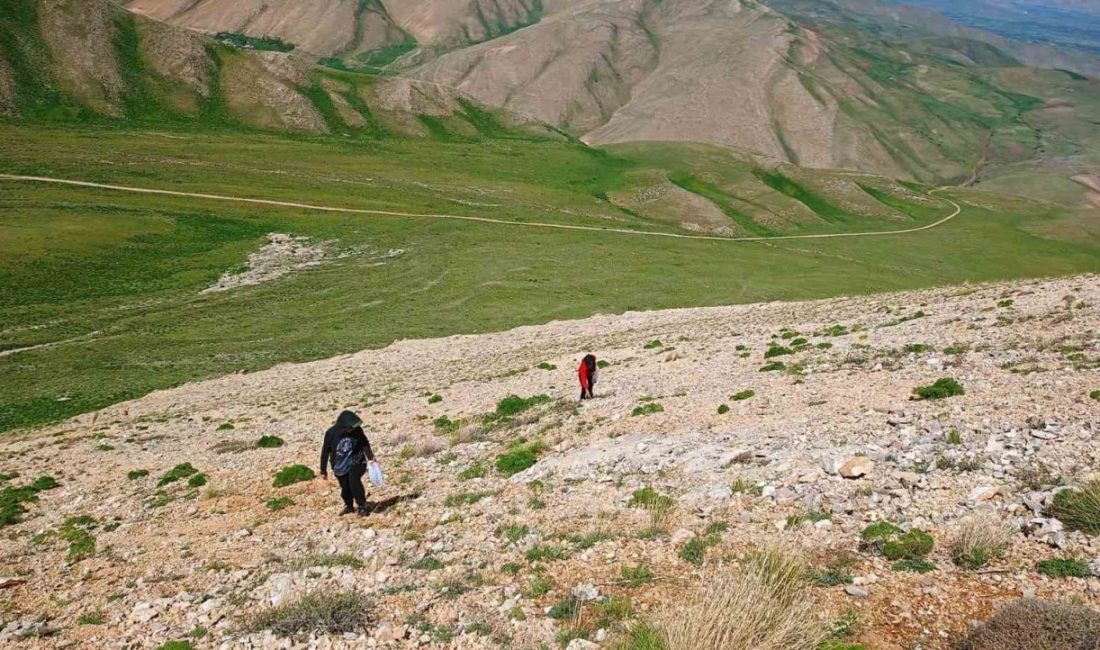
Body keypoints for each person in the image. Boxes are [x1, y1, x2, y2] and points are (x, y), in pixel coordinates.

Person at [319, 410, 376, 516]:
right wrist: (323, 470)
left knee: (354, 480)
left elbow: (364, 442)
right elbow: (325, 451)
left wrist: (370, 456)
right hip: (339, 465)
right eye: (350, 427)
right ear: (343, 426)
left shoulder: (357, 430)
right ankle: (348, 506)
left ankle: (362, 506)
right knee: (345, 487)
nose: (353, 429)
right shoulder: (331, 433)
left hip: (357, 461)